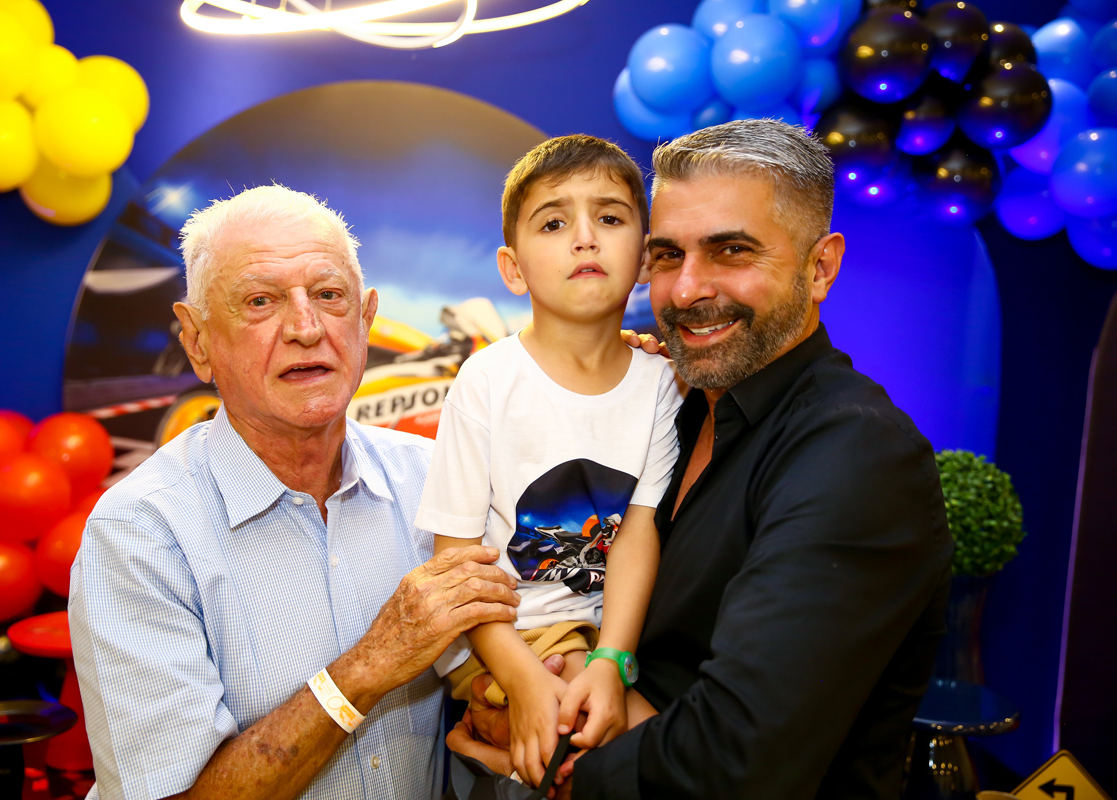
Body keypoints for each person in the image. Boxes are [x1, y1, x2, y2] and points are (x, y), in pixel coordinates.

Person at [451, 119, 953, 799]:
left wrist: (549, 759)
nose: (687, 290)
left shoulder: (858, 455)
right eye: (666, 256)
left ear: (820, 267)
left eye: (731, 251)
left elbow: (738, 761)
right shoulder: (675, 409)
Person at [68, 184, 522, 800]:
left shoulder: (433, 479)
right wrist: (370, 665)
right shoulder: (140, 533)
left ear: (364, 320)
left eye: (329, 296)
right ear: (198, 342)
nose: (307, 328)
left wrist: (496, 710)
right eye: (260, 301)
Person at [416, 135, 683, 788]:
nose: (585, 239)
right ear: (513, 269)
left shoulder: (662, 385)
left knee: (662, 745)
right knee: (624, 749)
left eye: (610, 218)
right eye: (555, 223)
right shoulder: (487, 381)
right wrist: (523, 680)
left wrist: (612, 661)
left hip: (600, 639)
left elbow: (637, 533)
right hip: (496, 637)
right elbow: (457, 564)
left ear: (645, 256)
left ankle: (510, 754)